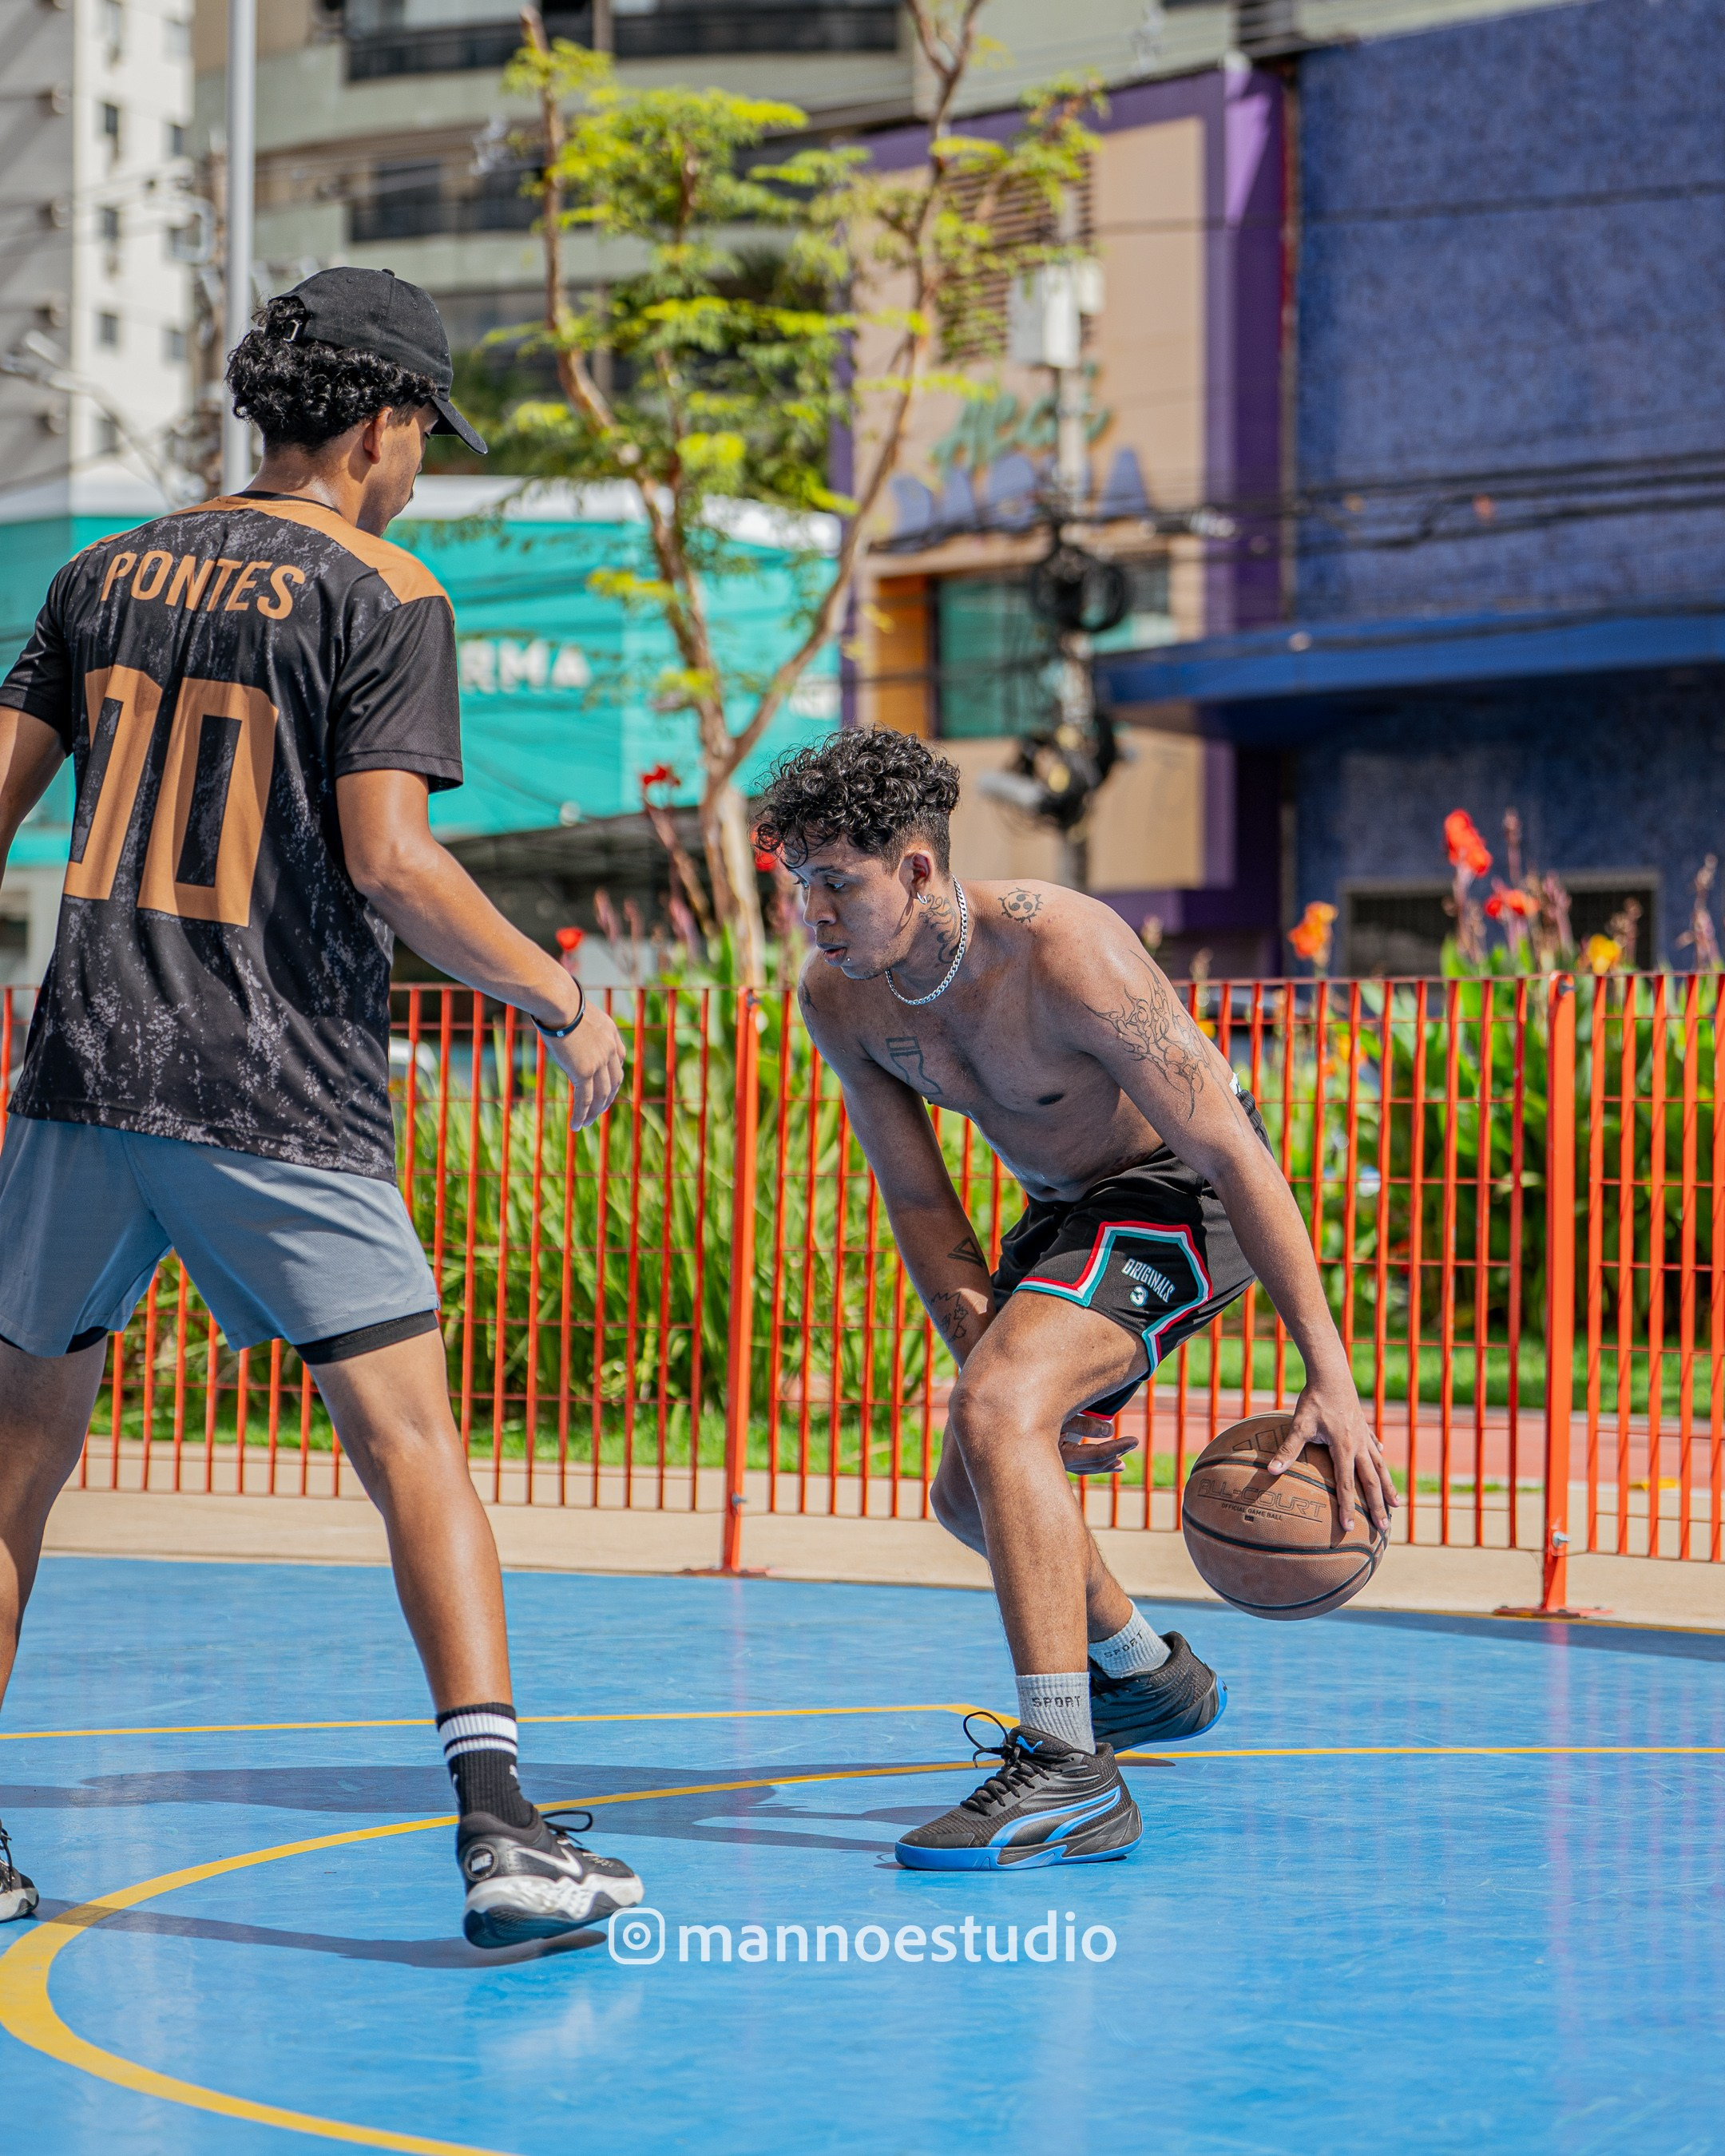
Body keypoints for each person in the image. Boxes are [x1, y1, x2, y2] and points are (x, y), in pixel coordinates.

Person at [0, 268, 643, 1948]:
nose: (421, 463)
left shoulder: (97, 572)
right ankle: (504, 1832)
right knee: (410, 1448)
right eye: (425, 431)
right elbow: (393, 863)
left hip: (81, 1077)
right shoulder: (388, 590)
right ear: (383, 420)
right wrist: (560, 996)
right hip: (274, 1081)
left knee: (14, 1459)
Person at [755, 728, 1395, 1873]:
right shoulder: (840, 1000)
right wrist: (989, 1359)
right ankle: (1146, 1677)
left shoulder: (1066, 951)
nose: (813, 910)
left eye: (836, 882)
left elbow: (1238, 1154)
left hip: (1179, 1196)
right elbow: (919, 1201)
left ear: (914, 870)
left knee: (1003, 1414)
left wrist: (1330, 1381)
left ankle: (1067, 1767)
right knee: (972, 1488)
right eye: (799, 883)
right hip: (1065, 1216)